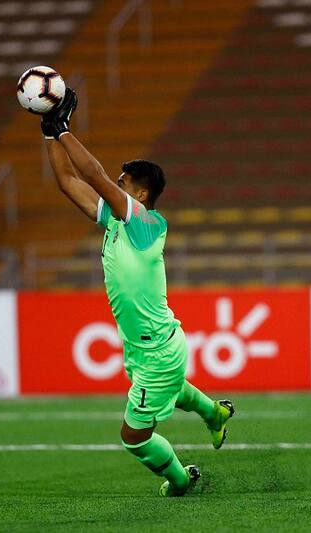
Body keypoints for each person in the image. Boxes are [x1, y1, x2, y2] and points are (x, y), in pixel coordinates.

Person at [40, 88, 234, 496]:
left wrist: (64, 129)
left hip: (158, 350)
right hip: (147, 347)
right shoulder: (114, 221)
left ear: (141, 194)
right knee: (173, 389)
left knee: (134, 436)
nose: (115, 184)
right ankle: (214, 413)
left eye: (124, 182)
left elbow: (92, 175)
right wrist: (48, 132)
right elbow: (67, 181)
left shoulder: (147, 223)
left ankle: (180, 480)